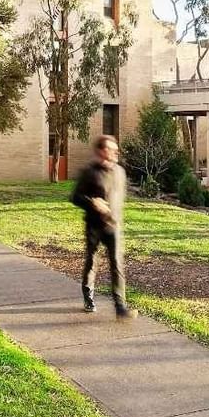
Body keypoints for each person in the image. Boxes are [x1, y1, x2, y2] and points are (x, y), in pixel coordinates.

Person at [71, 134, 137, 319]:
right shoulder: (89, 172)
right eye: (110, 149)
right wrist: (92, 202)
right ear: (101, 151)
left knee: (117, 264)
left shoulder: (119, 172)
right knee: (92, 261)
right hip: (94, 226)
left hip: (113, 226)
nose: (115, 152)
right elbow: (74, 197)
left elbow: (119, 198)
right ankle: (88, 297)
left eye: (116, 149)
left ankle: (120, 307)